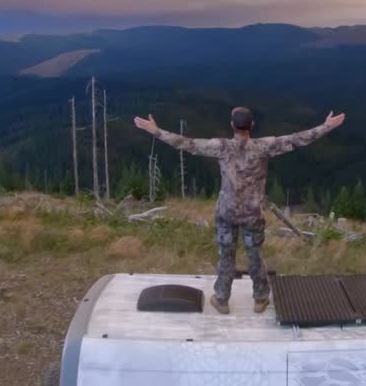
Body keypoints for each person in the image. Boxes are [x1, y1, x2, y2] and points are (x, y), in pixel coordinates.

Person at [134, 107, 345, 314]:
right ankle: (261, 299)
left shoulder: (222, 147)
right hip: (253, 214)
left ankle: (222, 299)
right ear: (252, 125)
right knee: (255, 256)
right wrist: (326, 126)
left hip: (227, 213)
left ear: (232, 125)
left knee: (226, 256)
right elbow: (297, 139)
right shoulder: (264, 146)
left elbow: (187, 144)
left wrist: (156, 131)